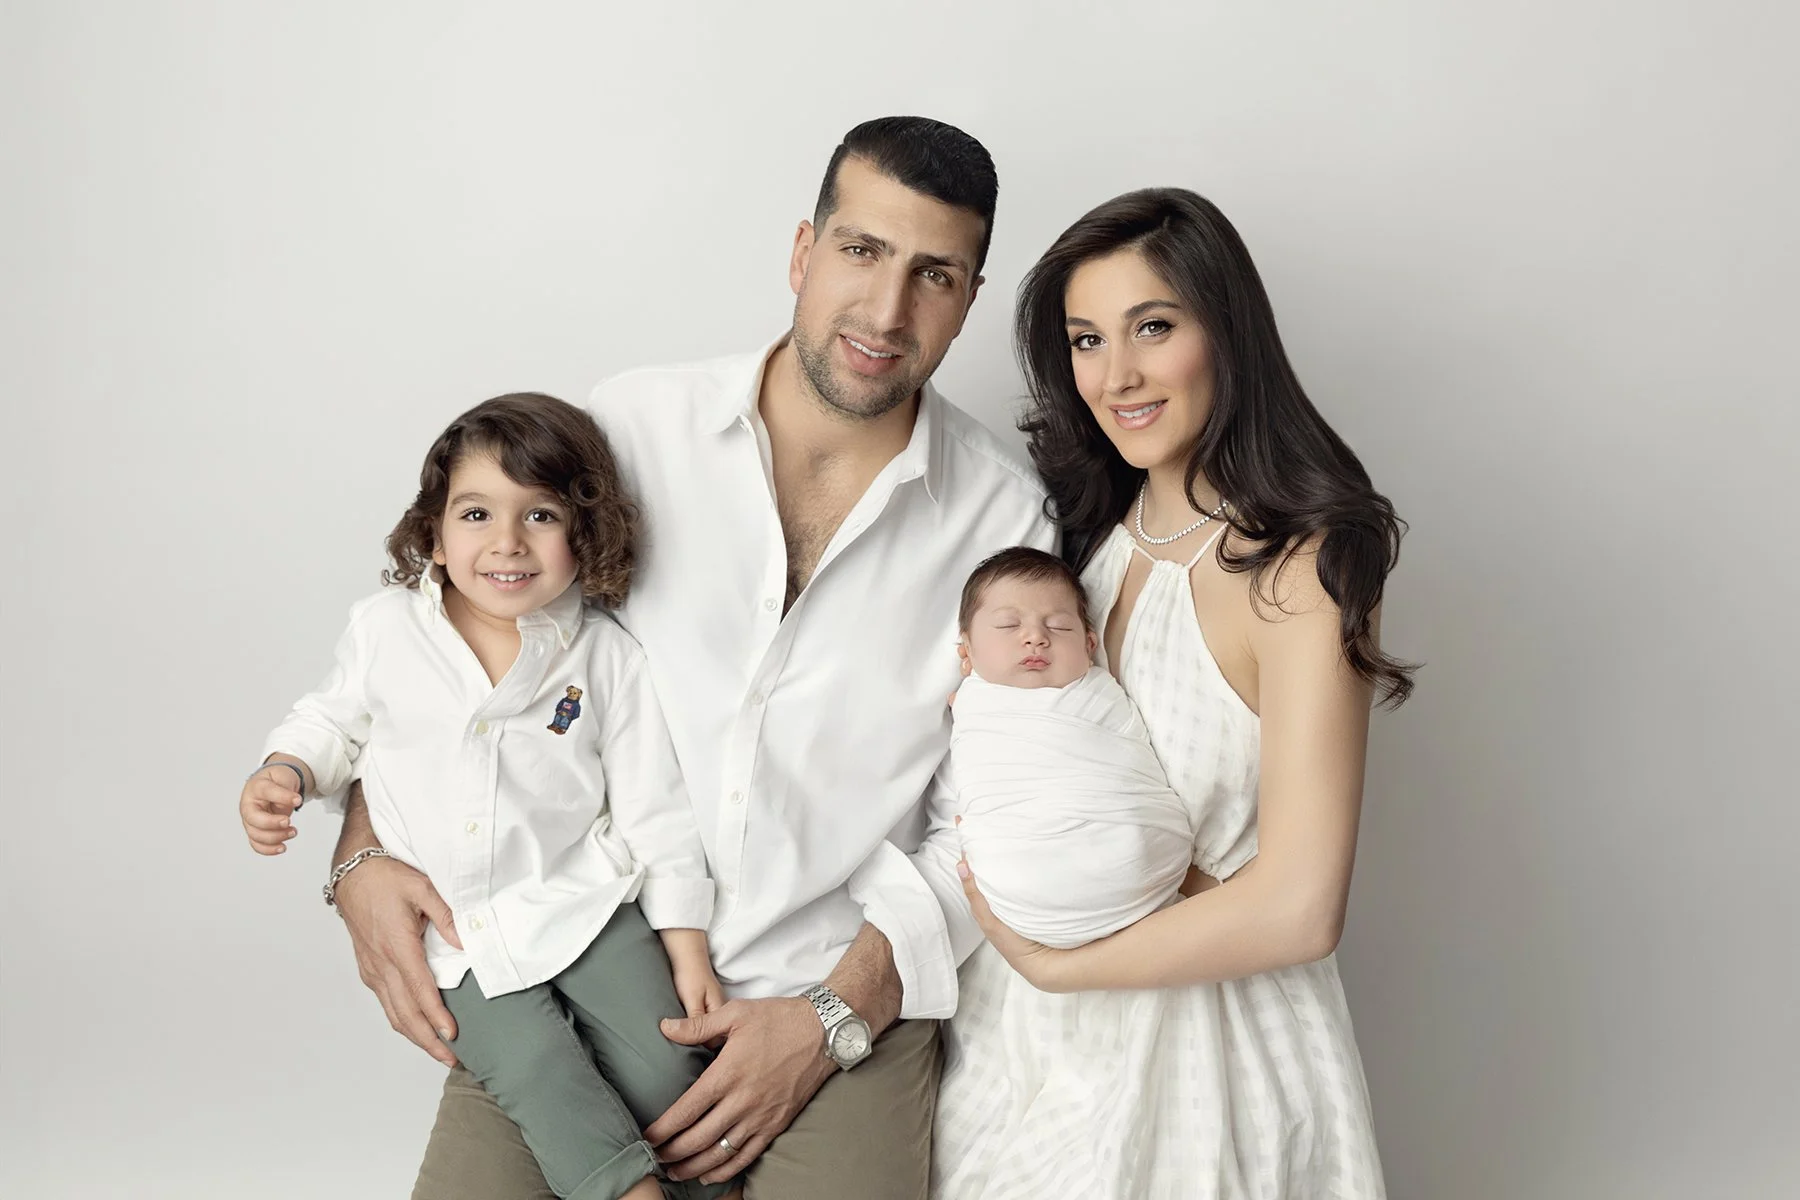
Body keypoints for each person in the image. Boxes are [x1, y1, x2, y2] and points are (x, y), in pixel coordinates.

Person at [319, 117, 1055, 1199]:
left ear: (969, 298)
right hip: (576, 976)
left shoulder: (1004, 518)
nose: (888, 312)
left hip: (838, 1004)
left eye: (932, 275)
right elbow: (451, 646)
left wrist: (834, 1016)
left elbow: (985, 821)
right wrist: (362, 854)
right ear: (803, 252)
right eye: (861, 252)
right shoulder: (627, 429)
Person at [934, 188, 1415, 1198]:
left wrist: (1061, 964)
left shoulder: (1298, 572)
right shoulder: (1080, 548)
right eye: (1086, 340)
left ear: (1225, 333)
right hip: (1019, 1046)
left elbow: (1298, 908)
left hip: (1204, 1054)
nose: (1118, 377)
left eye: (1153, 326)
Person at [239, 394, 728, 1200]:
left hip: (585, 904)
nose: (506, 542)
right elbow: (330, 722)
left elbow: (655, 810)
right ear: (433, 531)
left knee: (667, 1055)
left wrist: (687, 945)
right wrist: (286, 771)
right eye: (475, 513)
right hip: (453, 932)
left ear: (584, 534)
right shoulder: (385, 630)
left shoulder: (605, 656)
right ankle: (625, 1191)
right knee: (537, 1067)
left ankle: (716, 1187)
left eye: (540, 514)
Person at [947, 546, 1193, 949]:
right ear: (967, 651)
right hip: (1020, 878)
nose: (1035, 638)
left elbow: (1132, 760)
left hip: (1137, 860)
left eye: (1060, 627)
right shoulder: (974, 708)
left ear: (1089, 645)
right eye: (1009, 625)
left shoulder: (1100, 694)